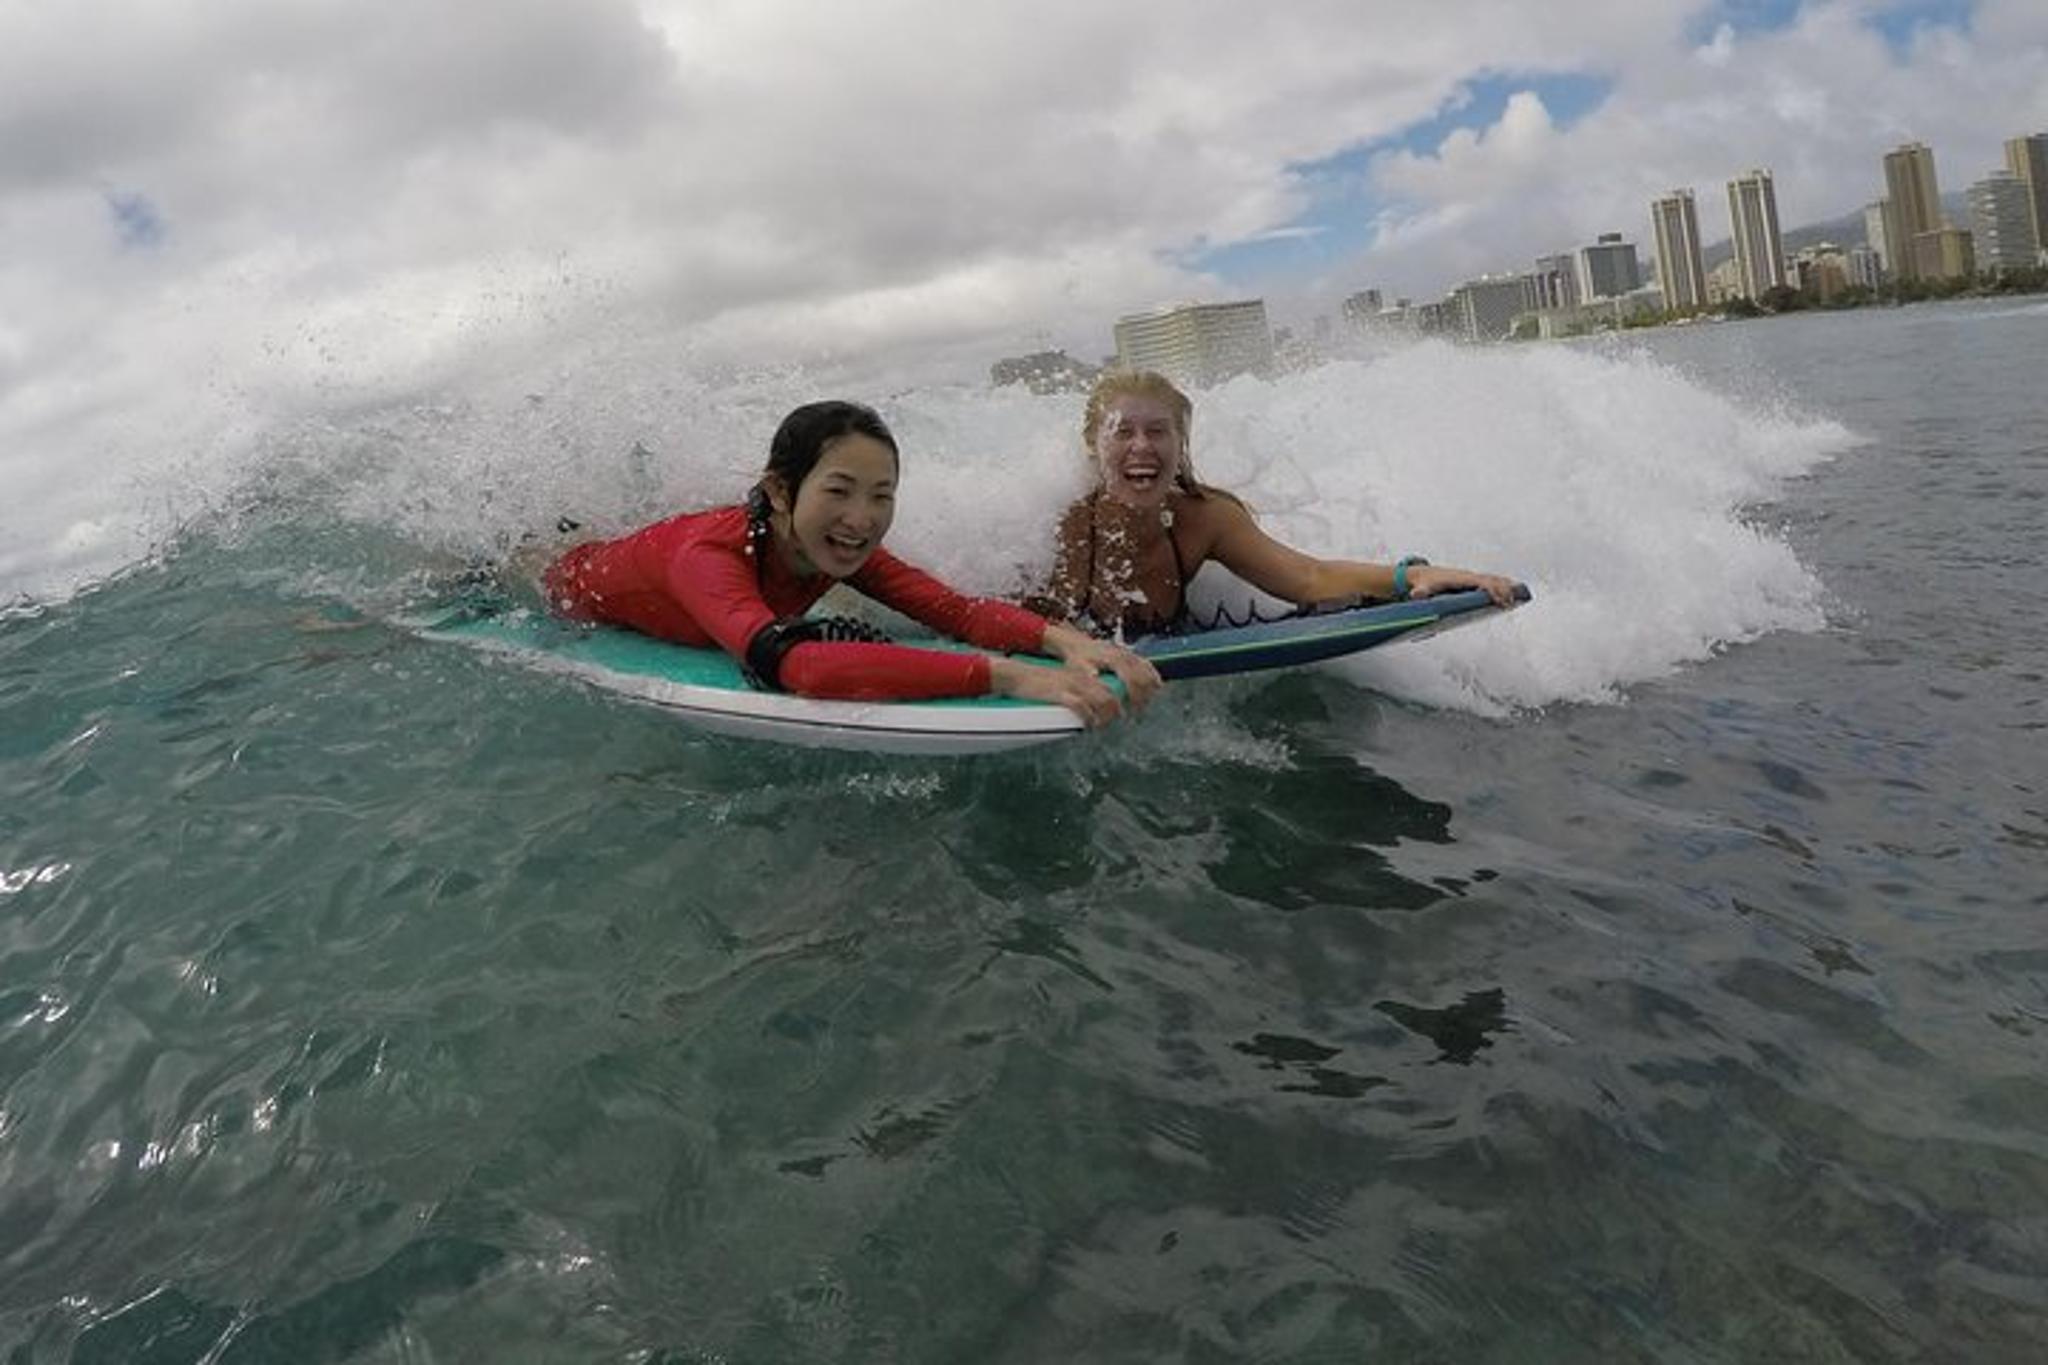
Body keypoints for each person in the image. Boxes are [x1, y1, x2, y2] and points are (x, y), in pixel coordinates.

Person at [543, 400, 1159, 725]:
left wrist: (1065, 641)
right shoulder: (707, 557)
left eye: (881, 496)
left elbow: (955, 611)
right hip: (570, 582)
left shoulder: (830, 546)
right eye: (838, 491)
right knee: (544, 564)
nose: (861, 519)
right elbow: (795, 666)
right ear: (781, 491)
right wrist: (1007, 676)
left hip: (658, 565)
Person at [1033, 370, 1525, 639]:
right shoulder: (1065, 525)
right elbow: (1022, 625)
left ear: (1180, 446)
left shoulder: (1205, 519)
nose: (1141, 446)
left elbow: (1308, 578)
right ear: (1093, 446)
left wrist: (1412, 576)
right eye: (1122, 432)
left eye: (1158, 431)